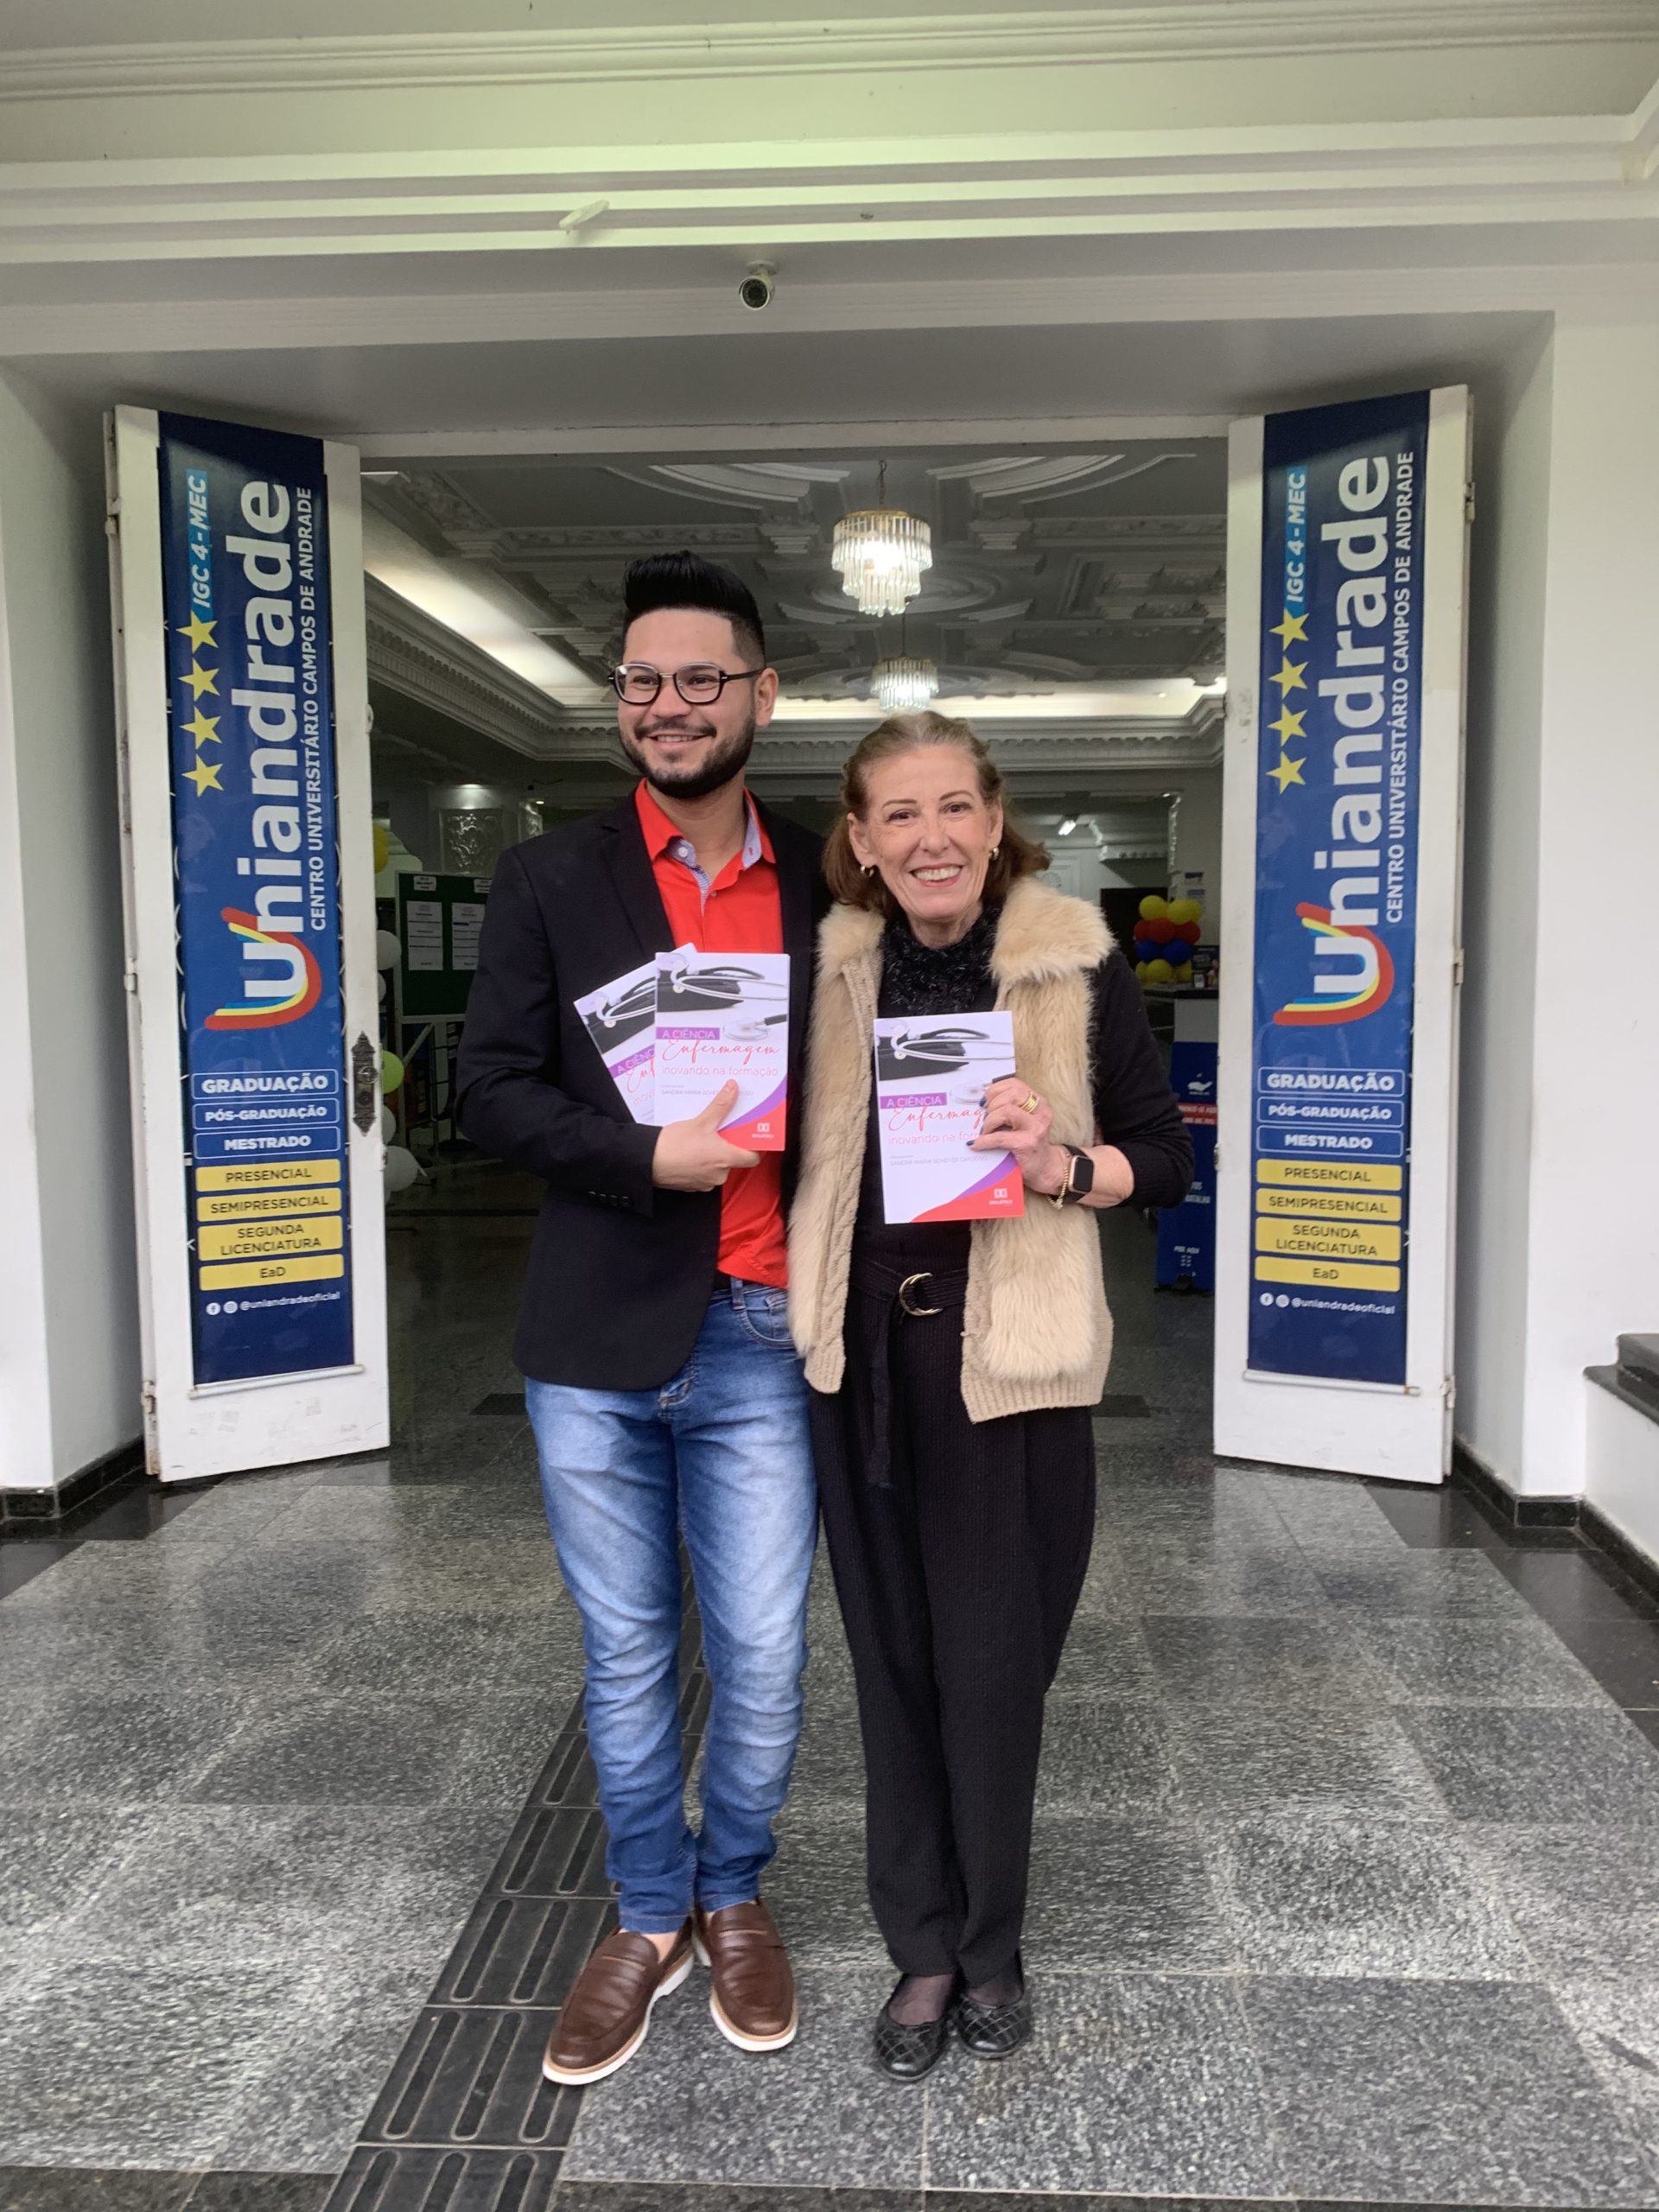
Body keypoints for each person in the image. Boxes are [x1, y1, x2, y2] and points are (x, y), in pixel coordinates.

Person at [456, 551, 825, 2086]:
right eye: (642, 681)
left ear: (762, 694)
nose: (667, 705)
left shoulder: (829, 883)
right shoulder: (552, 876)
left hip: (764, 1326)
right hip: (595, 1331)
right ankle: (651, 1913)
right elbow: (487, 1092)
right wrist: (643, 1154)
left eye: (699, 678)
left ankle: (734, 1892)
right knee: (623, 1654)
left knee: (764, 1652)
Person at [788, 710, 1192, 2078]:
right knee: (894, 1658)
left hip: (1010, 1363)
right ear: (861, 839)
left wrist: (1059, 1161)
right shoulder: (829, 970)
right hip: (862, 1359)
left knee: (997, 1665)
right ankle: (922, 1945)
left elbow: (1163, 1158)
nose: (931, 838)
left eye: (953, 807)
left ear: (995, 817)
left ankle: (993, 1941)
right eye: (898, 814)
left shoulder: (1075, 964)